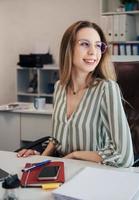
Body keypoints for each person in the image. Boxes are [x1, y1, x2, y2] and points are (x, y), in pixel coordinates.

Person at [17, 20, 134, 167]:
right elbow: (57, 139)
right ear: (68, 49)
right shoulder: (59, 87)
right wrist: (39, 160)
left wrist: (75, 155)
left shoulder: (106, 89)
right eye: (85, 44)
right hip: (62, 169)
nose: (93, 52)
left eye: (98, 45)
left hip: (92, 175)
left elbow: (125, 156)